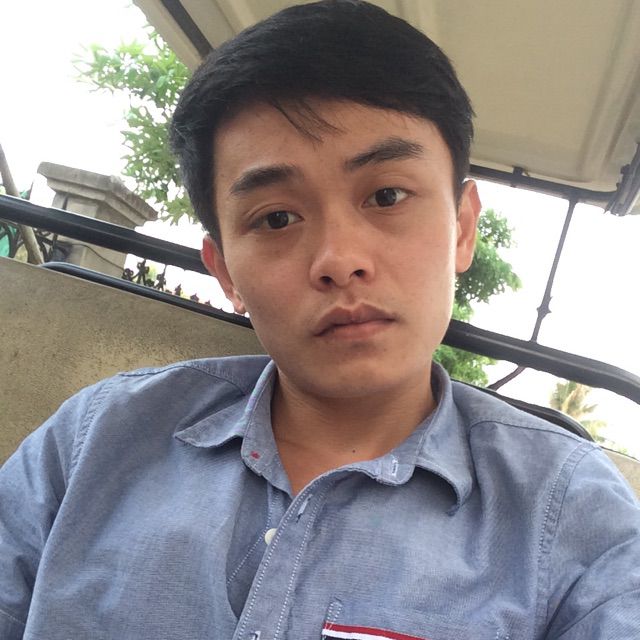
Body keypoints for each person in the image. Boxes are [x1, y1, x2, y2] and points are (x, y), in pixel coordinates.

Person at [1, 1, 639, 638]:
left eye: (387, 196)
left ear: (463, 228)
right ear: (225, 273)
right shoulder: (93, 442)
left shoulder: (572, 517)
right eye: (277, 218)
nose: (340, 260)